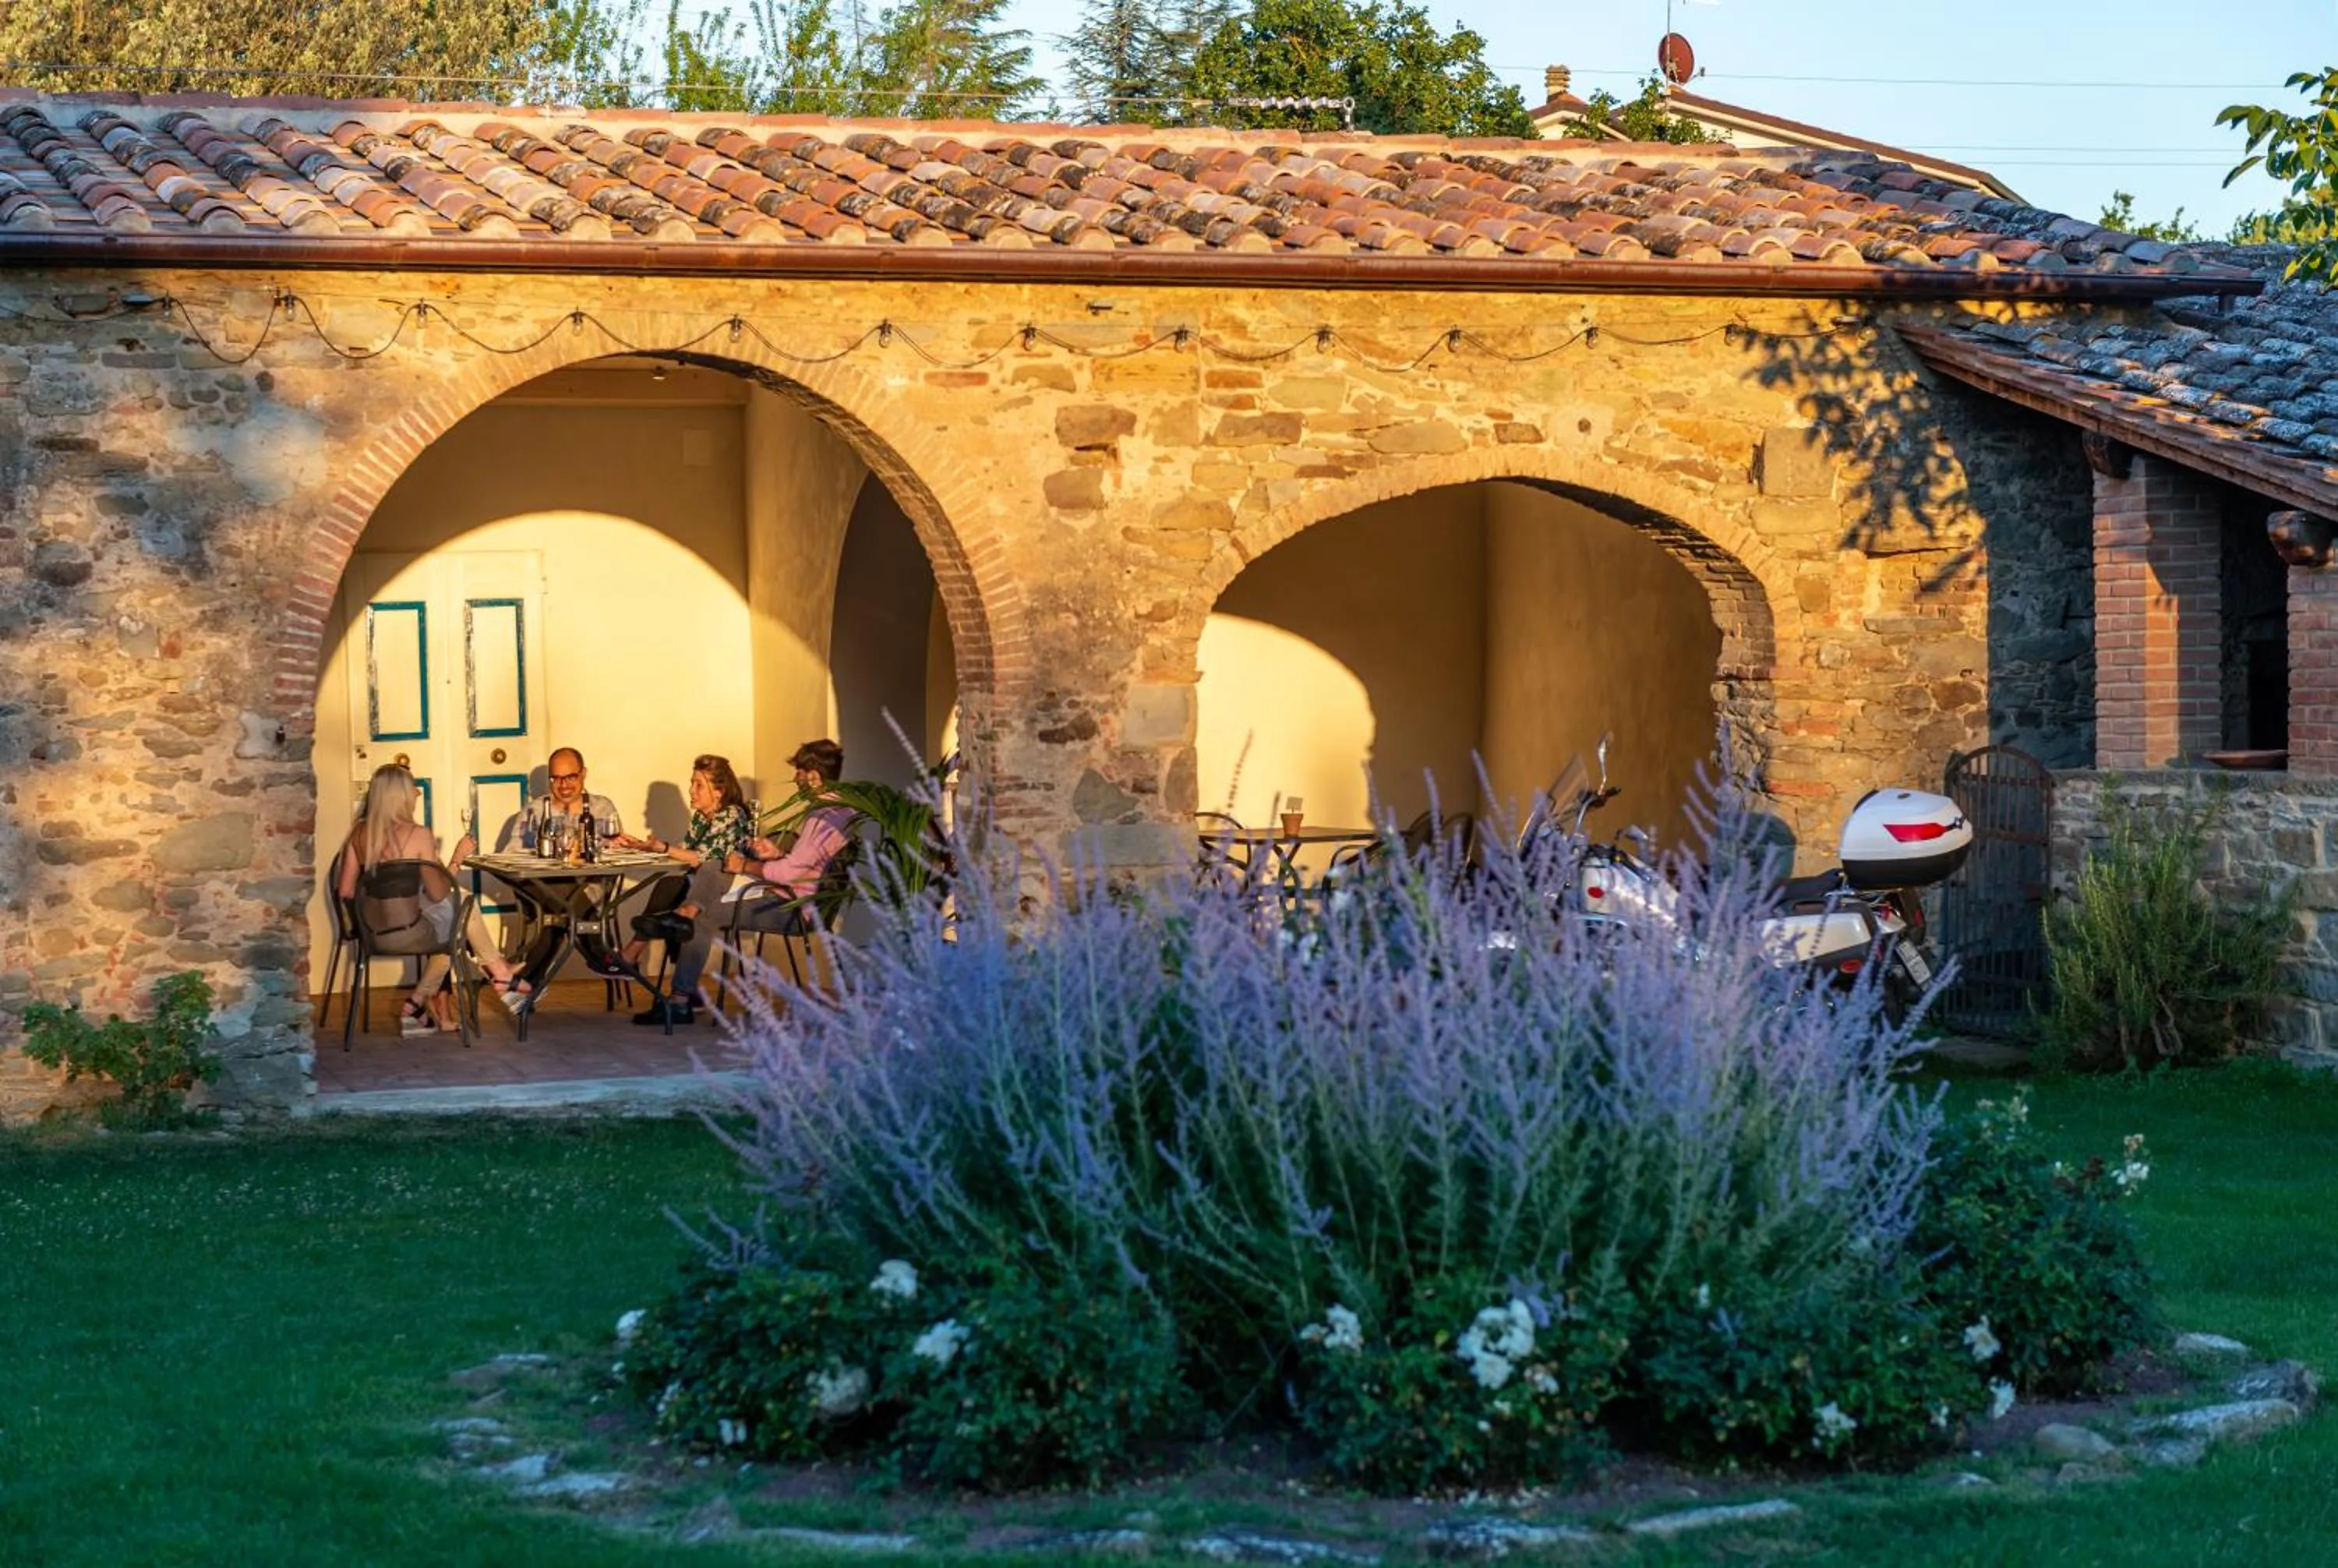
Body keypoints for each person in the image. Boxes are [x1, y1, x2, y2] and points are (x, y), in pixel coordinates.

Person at [634, 739, 853, 1027]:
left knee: (705, 909)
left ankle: (680, 995)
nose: (796, 779)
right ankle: (682, 924)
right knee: (709, 878)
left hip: (794, 908)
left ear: (813, 775)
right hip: (794, 898)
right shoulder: (840, 812)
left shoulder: (822, 817)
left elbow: (789, 874)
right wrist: (776, 853)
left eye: (799, 772)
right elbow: (805, 865)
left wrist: (747, 865)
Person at [335, 763, 532, 1036]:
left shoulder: (358, 833)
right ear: (402, 795)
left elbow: (345, 891)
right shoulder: (418, 835)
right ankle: (499, 972)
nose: (417, 794)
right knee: (465, 908)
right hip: (412, 931)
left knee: (456, 926)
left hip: (373, 934)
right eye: (412, 789)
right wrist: (456, 859)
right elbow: (439, 893)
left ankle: (416, 1007)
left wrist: (379, 896)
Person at [609, 753, 755, 975]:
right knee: (670, 889)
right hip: (702, 883)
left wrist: (664, 848)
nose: (691, 790)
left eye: (699, 785)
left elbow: (701, 857)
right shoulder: (700, 817)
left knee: (674, 893)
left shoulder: (731, 814)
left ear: (719, 791)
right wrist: (639, 846)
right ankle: (640, 958)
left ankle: (633, 955)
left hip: (728, 886)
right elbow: (684, 850)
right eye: (692, 784)